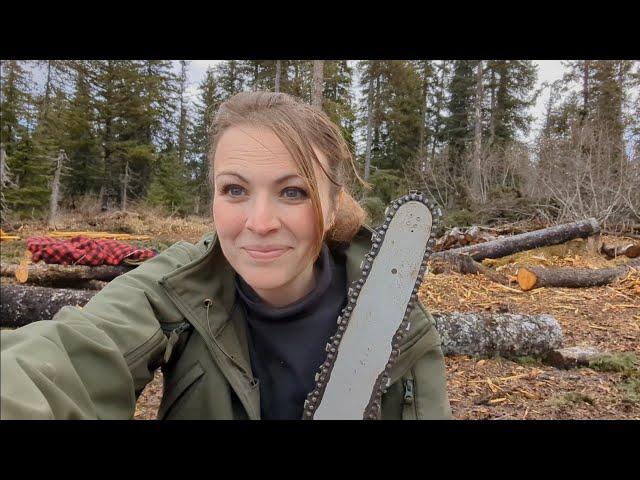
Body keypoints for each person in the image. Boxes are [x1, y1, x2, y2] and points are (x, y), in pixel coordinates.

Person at [0, 91, 452, 420]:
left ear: (333, 205)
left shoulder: (401, 328)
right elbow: (65, 357)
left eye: (292, 192)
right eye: (235, 190)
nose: (259, 222)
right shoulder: (181, 285)